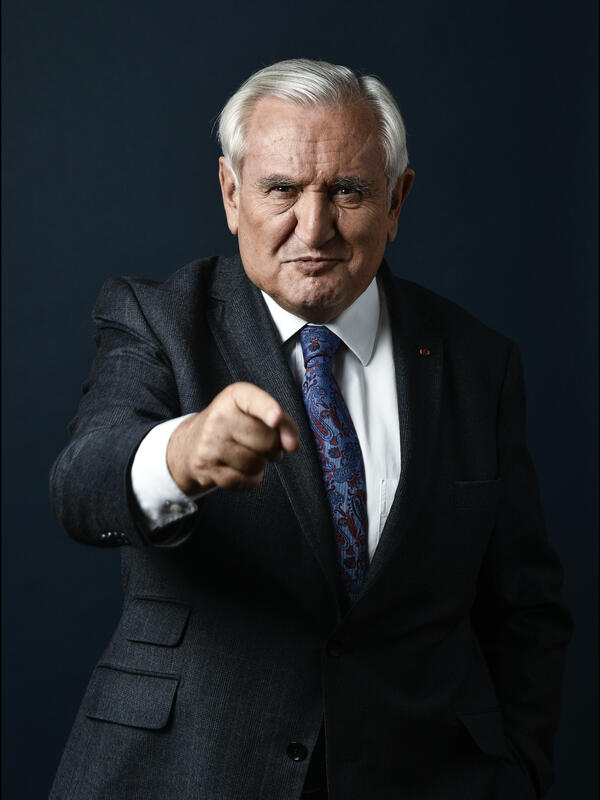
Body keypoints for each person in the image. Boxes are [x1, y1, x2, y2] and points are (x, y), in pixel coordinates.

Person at [49, 59, 572, 800]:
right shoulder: (156, 320)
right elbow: (83, 482)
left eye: (349, 191)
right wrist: (180, 455)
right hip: (188, 773)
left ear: (397, 200)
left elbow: (524, 608)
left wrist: (521, 773)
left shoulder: (480, 363)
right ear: (232, 194)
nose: (315, 227)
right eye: (282, 190)